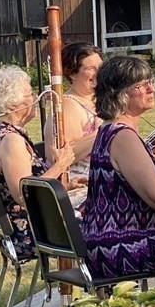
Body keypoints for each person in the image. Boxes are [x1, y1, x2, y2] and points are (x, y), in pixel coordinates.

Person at [80, 56, 155, 277]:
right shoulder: (123, 136)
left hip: (106, 241)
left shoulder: (109, 130)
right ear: (119, 95)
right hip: (124, 245)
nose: (150, 88)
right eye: (140, 85)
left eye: (150, 81)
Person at [0, 67, 76, 258]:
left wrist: (67, 185)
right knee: (105, 223)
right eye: (29, 93)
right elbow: (23, 194)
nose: (36, 96)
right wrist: (60, 166)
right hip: (30, 233)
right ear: (13, 105)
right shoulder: (11, 141)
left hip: (35, 226)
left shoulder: (0, 132)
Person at [44, 43, 102, 205]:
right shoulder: (68, 105)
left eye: (101, 67)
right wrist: (107, 131)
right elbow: (65, 154)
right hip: (81, 189)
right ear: (72, 73)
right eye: (91, 68)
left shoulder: (99, 101)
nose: (99, 73)